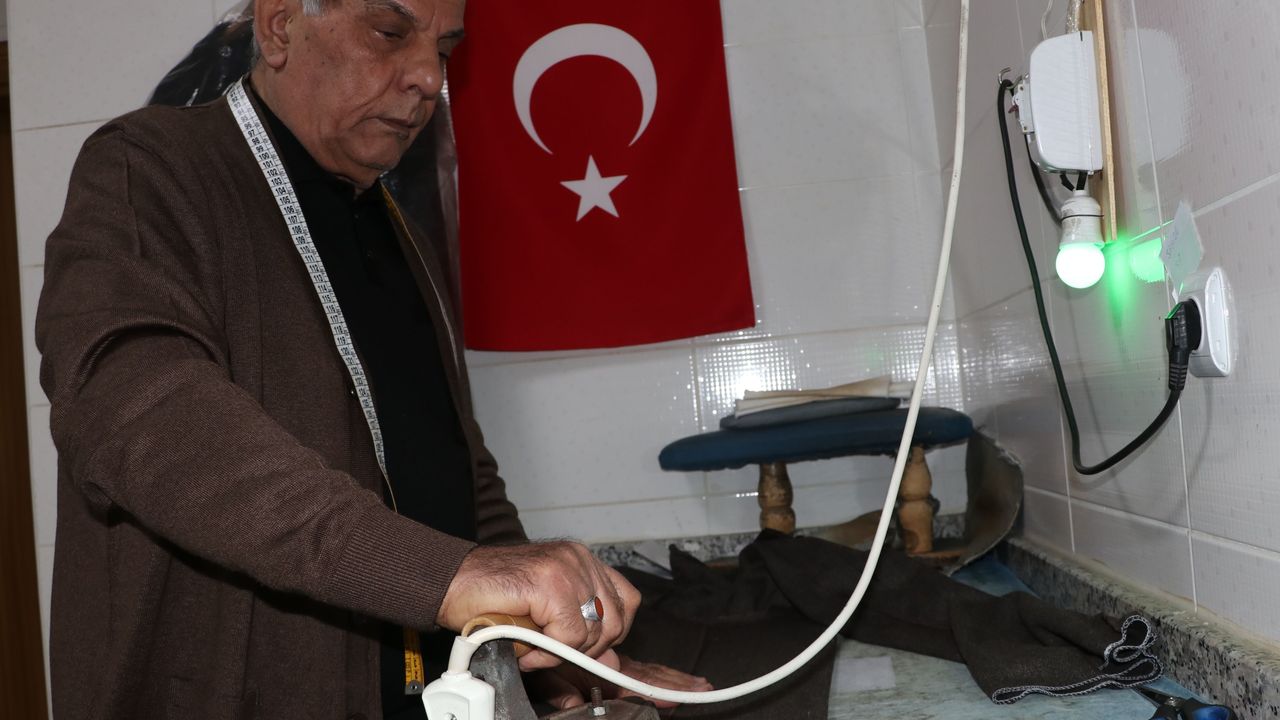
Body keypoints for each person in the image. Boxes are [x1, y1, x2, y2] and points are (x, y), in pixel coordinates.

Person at [35, 0, 709, 718]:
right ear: (280, 24)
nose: (427, 78)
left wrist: (557, 657)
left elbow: (456, 471)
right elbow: (132, 405)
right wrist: (441, 575)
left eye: (444, 51)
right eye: (389, 33)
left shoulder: (401, 233)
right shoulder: (150, 166)